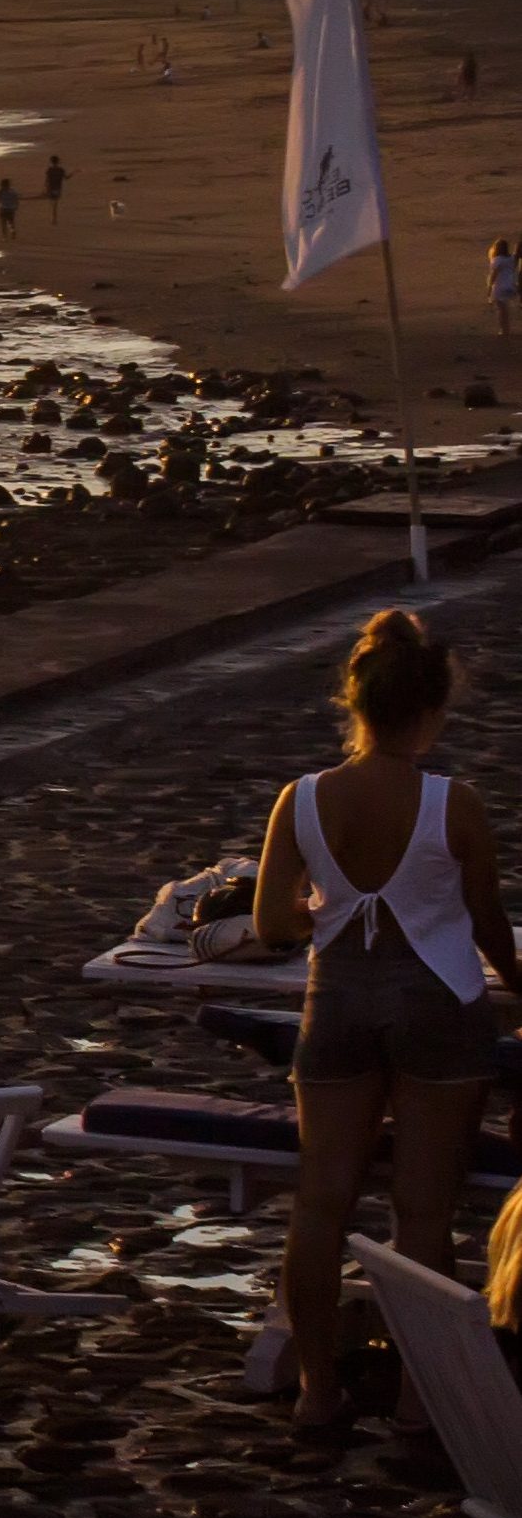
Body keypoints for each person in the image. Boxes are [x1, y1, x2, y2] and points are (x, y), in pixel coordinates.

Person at [251, 609, 522, 1436]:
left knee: (321, 1202)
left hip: (336, 1001)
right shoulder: (454, 803)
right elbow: (485, 924)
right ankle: (416, 1400)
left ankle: (317, 1391)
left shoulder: (300, 800)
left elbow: (270, 925)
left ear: (356, 702)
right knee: (423, 1213)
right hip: (437, 1005)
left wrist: (323, 907)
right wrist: (519, 983)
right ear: (434, 709)